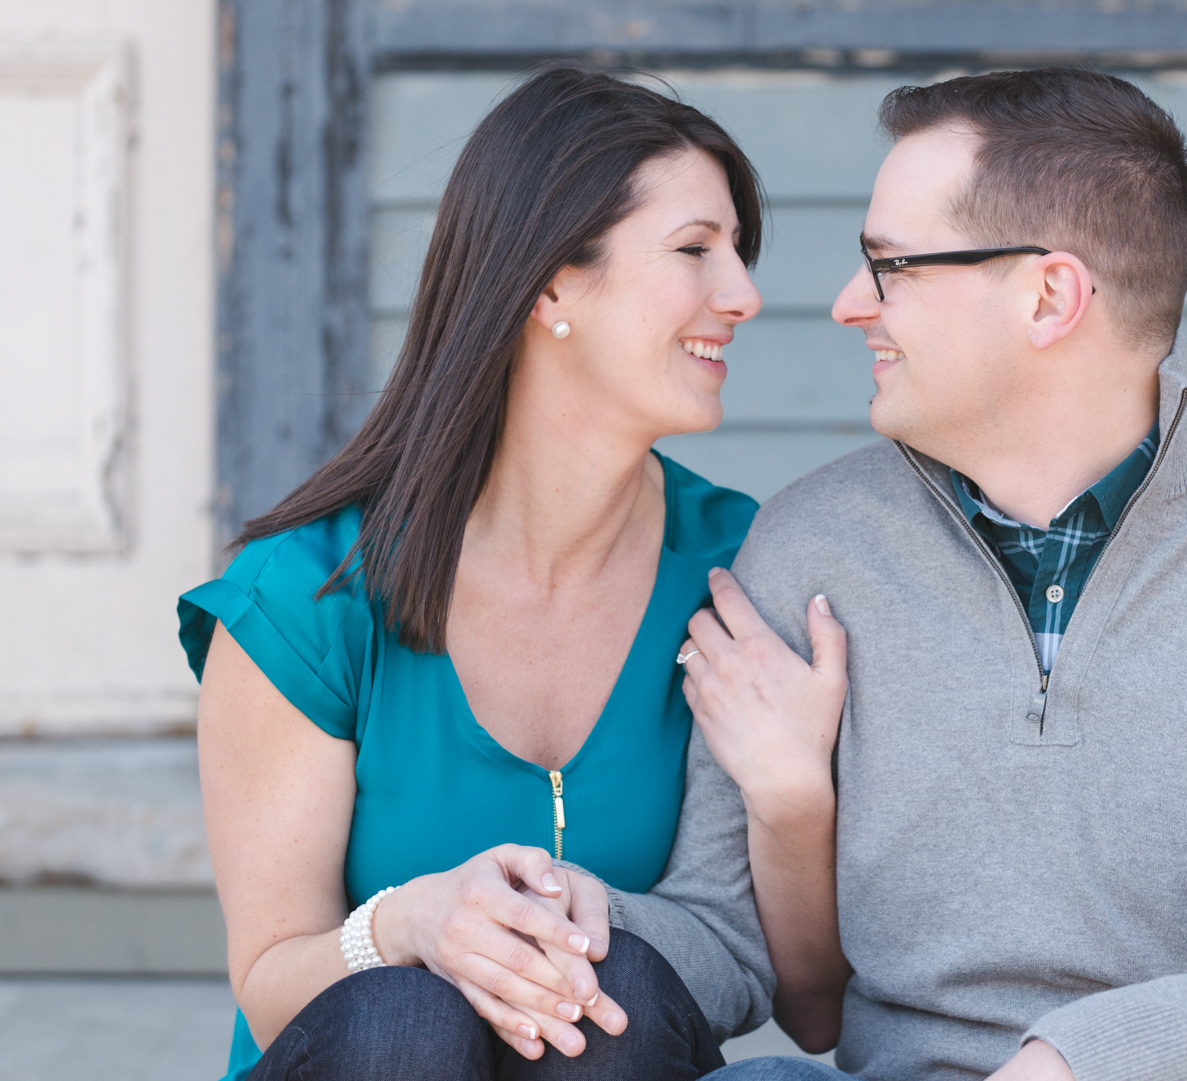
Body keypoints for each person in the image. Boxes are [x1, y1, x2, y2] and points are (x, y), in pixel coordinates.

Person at [603, 69, 1187, 1081]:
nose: (849, 306)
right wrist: (554, 913)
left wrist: (1083, 1057)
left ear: (1049, 295)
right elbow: (733, 956)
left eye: (891, 266)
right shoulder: (815, 545)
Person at [177, 65, 778, 1081]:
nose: (746, 297)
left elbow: (763, 964)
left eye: (738, 253)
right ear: (549, 284)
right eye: (694, 252)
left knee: (613, 992)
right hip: (372, 1058)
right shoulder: (308, 594)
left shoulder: (737, 571)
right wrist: (409, 923)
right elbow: (271, 978)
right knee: (406, 1018)